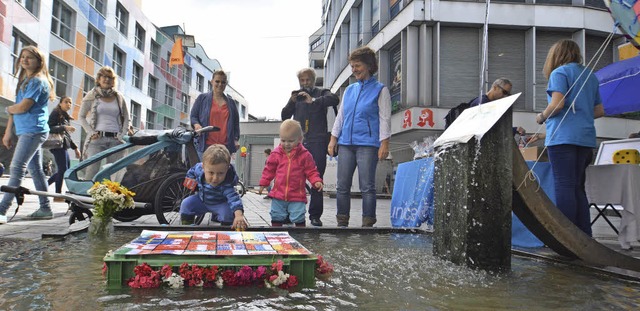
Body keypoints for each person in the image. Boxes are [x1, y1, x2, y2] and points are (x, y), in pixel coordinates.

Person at [535, 39, 604, 236]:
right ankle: (584, 236)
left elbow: (557, 104)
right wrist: (580, 113)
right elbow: (599, 111)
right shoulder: (590, 76)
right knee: (577, 188)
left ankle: (566, 238)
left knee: (564, 185)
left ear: (556, 56)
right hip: (585, 137)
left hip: (563, 138)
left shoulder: (559, 73)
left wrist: (541, 116)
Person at [328, 46, 391, 227]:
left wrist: (384, 143)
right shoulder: (349, 90)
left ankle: (368, 222)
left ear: (369, 65)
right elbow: (341, 116)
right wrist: (333, 139)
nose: (354, 70)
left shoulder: (381, 90)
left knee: (367, 186)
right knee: (342, 186)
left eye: (357, 66)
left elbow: (385, 118)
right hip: (346, 143)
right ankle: (342, 222)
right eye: (352, 66)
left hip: (368, 145)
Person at [0, 46, 57, 223]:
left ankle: (2, 210)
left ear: (39, 62)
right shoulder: (26, 80)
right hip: (26, 130)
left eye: (29, 57)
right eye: (22, 57)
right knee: (36, 170)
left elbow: (23, 107)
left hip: (33, 131)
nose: (24, 60)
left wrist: (8, 108)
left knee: (17, 168)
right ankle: (45, 208)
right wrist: (8, 131)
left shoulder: (38, 82)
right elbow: (15, 111)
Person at [281, 68, 339, 226]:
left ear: (313, 80)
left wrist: (313, 100)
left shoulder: (322, 93)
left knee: (317, 178)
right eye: (302, 80)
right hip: (298, 143)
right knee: (293, 178)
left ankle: (315, 215)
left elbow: (334, 99)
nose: (305, 83)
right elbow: (284, 116)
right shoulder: (296, 97)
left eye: (308, 80)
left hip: (318, 142)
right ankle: (290, 213)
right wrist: (292, 102)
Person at [259, 120, 323, 227]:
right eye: (283, 140)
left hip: (297, 194)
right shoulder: (276, 154)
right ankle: (276, 233)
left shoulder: (305, 155)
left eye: (290, 141)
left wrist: (316, 180)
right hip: (278, 193)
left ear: (300, 140)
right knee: (276, 214)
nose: (286, 144)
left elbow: (311, 170)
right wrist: (263, 183)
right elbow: (269, 170)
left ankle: (300, 234)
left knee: (298, 215)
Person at [179, 144, 248, 229]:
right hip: (202, 200)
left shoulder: (227, 183)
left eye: (220, 173)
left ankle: (226, 232)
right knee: (186, 204)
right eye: (211, 173)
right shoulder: (198, 168)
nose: (215, 178)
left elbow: (234, 199)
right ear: (203, 167)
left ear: (227, 169)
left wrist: (238, 216)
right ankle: (187, 230)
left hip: (220, 204)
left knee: (227, 213)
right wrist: (190, 181)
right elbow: (192, 171)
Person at [78, 66, 130, 179]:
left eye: (110, 77)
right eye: (104, 76)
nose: (107, 79)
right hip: (97, 140)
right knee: (92, 171)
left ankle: (111, 196)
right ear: (98, 78)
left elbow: (127, 118)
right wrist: (90, 132)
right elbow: (81, 117)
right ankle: (86, 195)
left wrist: (122, 135)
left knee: (116, 173)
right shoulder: (91, 95)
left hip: (116, 140)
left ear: (113, 81)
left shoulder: (119, 97)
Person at [190, 71, 240, 159]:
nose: (220, 84)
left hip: (225, 148)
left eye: (223, 82)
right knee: (204, 172)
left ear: (226, 84)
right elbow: (193, 116)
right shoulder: (202, 98)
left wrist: (235, 140)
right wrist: (196, 124)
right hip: (205, 146)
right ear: (212, 81)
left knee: (223, 172)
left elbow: (235, 124)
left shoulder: (231, 103)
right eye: (217, 81)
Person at [47, 96, 82, 201]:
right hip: (56, 145)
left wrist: (75, 148)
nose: (68, 104)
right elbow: (49, 128)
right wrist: (64, 127)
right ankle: (57, 195)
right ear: (60, 103)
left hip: (62, 146)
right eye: (66, 102)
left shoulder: (66, 116)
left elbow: (67, 135)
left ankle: (44, 185)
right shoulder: (55, 113)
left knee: (65, 170)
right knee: (63, 169)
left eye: (70, 103)